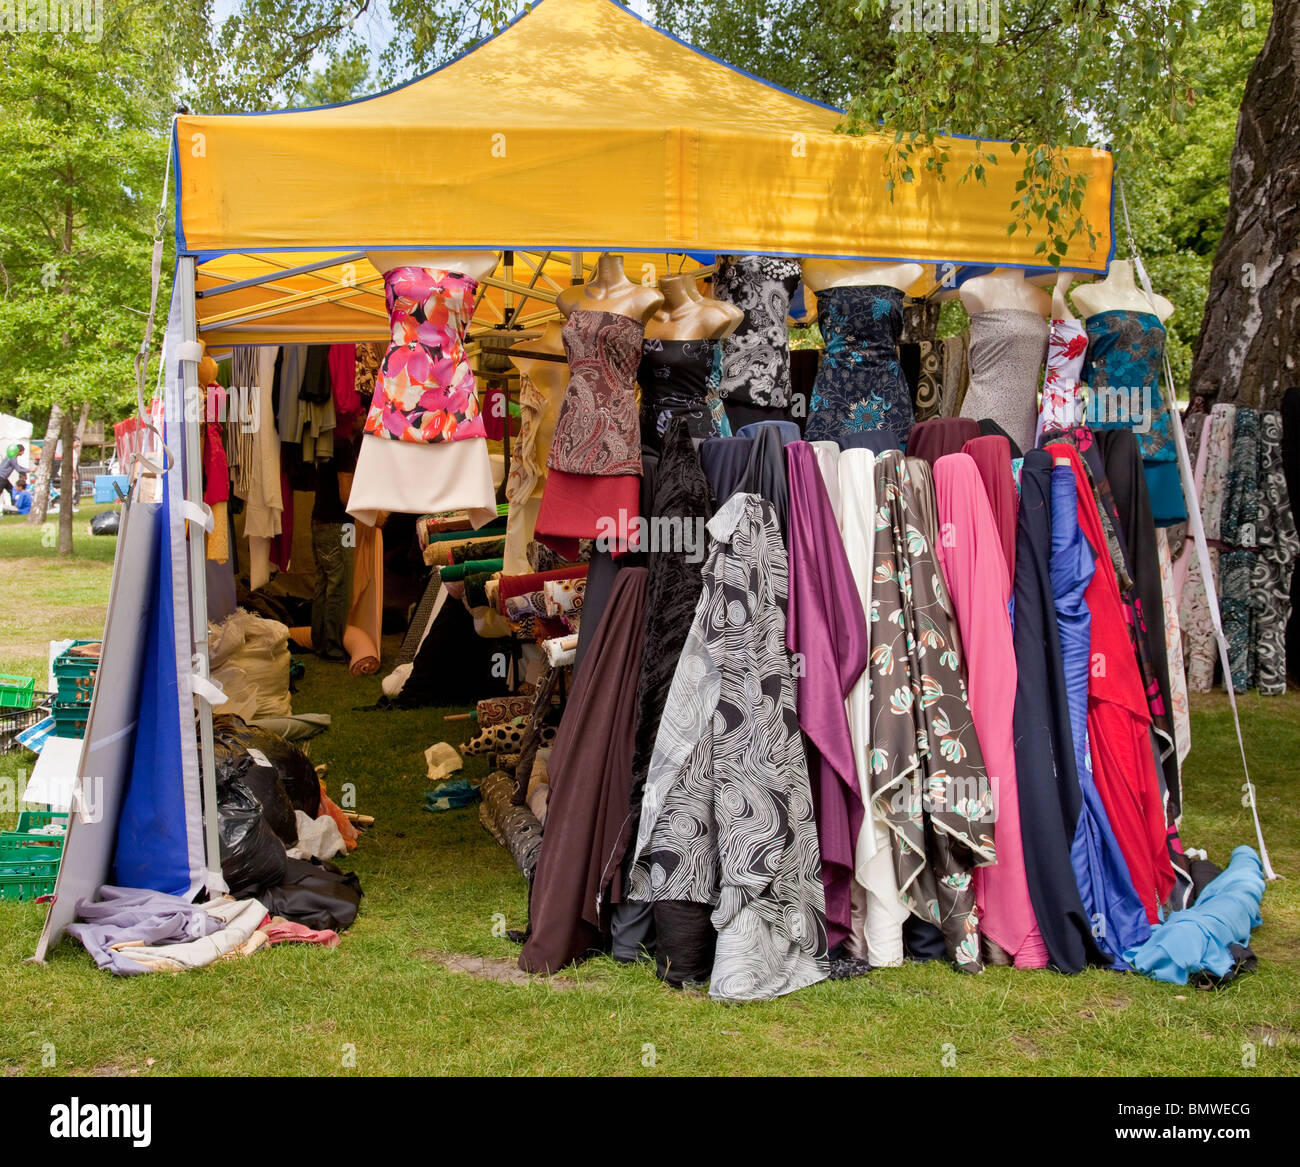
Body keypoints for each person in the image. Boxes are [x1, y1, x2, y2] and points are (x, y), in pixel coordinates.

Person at [310, 450, 355, 662]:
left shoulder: (328, 443)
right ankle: (333, 647)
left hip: (321, 521)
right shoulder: (344, 447)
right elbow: (346, 495)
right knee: (340, 583)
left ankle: (320, 643)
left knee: (324, 583)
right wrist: (374, 515)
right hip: (341, 525)